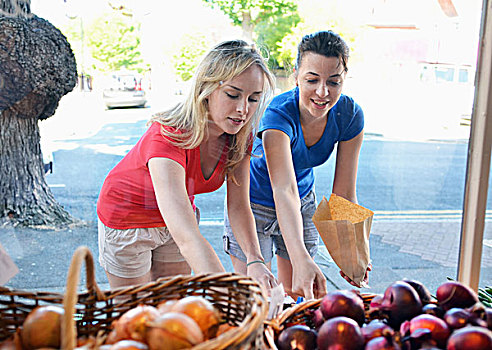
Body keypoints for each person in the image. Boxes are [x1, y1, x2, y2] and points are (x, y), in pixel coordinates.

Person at [97, 40, 278, 291]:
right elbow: (188, 238)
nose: (242, 109)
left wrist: (255, 259)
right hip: (128, 219)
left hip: (176, 218)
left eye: (253, 98)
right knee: (136, 314)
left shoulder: (240, 136)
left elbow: (238, 205)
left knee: (173, 307)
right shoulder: (167, 135)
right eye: (233, 95)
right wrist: (229, 292)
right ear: (206, 89)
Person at [224, 30, 371, 300]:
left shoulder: (350, 115)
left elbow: (344, 194)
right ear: (295, 75)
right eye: (312, 80)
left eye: (334, 81)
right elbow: (283, 189)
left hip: (301, 202)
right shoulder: (278, 115)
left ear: (345, 78)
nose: (323, 92)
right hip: (255, 205)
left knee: (297, 294)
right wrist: (300, 255)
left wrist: (352, 250)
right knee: (259, 297)